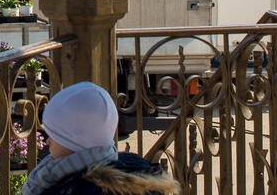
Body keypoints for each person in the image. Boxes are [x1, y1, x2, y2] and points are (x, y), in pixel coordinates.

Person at [24, 82, 178, 195]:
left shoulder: (73, 188)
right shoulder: (135, 168)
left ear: (74, 139)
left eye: (54, 135)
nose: (48, 141)